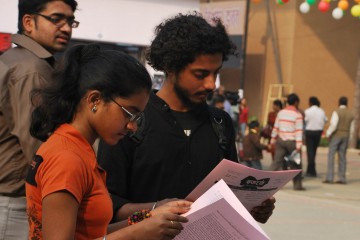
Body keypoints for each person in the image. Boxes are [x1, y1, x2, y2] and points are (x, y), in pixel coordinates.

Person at [98, 12, 275, 225]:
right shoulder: (129, 122)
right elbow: (106, 207)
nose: (211, 84)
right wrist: (154, 210)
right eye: (200, 74)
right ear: (171, 67)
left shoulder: (220, 123)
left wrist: (253, 207)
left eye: (216, 72)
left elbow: (229, 196)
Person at [26, 44, 191, 240]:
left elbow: (95, 232)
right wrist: (138, 233)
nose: (132, 127)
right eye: (129, 113)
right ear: (94, 100)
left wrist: (151, 214)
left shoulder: (76, 148)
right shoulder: (67, 159)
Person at [0, 0, 78, 239]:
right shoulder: (31, 69)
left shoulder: (17, 59)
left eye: (70, 20)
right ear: (28, 22)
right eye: (56, 19)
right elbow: (38, 143)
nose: (66, 27)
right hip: (14, 202)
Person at [269, 93, 305, 191]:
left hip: (280, 141)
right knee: (296, 164)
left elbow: (275, 127)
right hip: (291, 142)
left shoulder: (281, 113)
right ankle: (297, 186)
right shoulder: (297, 115)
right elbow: (299, 131)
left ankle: (265, 181)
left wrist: (272, 140)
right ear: (296, 102)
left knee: (276, 162)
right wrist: (299, 145)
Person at [323, 96, 354, 184]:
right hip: (346, 135)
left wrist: (328, 134)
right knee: (342, 157)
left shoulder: (337, 112)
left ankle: (330, 177)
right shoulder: (351, 113)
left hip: (336, 135)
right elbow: (352, 128)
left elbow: (333, 125)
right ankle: (342, 178)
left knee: (331, 156)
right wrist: (350, 137)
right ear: (347, 103)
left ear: (339, 102)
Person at [304, 96, 327, 177]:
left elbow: (305, 120)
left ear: (310, 102)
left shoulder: (307, 111)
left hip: (309, 132)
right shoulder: (322, 111)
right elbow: (325, 120)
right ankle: (312, 170)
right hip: (318, 132)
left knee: (309, 151)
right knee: (314, 151)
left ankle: (310, 170)